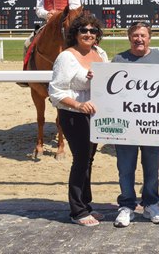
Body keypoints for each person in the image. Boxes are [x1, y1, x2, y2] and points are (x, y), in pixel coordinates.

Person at [48, 14, 108, 227]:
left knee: (89, 159)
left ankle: (86, 204)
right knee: (81, 159)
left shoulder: (100, 53)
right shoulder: (66, 57)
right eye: (84, 30)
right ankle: (77, 210)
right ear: (75, 33)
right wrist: (79, 105)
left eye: (93, 30)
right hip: (74, 115)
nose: (89, 34)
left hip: (96, 114)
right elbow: (55, 91)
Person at [111, 21, 159, 228]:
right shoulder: (119, 59)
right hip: (126, 125)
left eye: (143, 35)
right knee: (126, 168)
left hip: (152, 125)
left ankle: (151, 203)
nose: (139, 39)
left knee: (151, 168)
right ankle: (127, 205)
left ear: (149, 38)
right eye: (135, 35)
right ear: (129, 38)